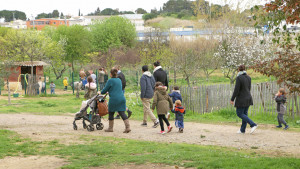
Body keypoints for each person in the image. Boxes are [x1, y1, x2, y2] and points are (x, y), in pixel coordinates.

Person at [101, 68, 131, 133]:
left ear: (111, 74)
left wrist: (100, 92)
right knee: (122, 113)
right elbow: (116, 89)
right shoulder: (119, 80)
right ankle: (128, 127)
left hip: (114, 99)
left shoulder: (110, 81)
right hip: (121, 98)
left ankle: (110, 128)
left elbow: (104, 91)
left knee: (111, 113)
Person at [230, 65, 257, 134]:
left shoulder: (239, 78)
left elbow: (236, 90)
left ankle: (253, 124)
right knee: (244, 114)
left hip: (241, 99)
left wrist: (232, 99)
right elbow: (249, 88)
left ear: (238, 70)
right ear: (245, 69)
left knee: (239, 113)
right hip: (248, 97)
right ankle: (242, 130)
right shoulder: (249, 78)